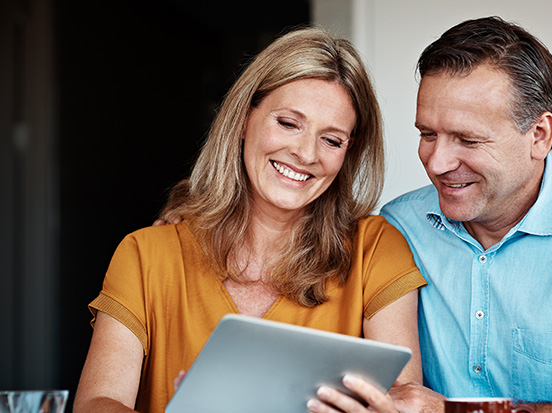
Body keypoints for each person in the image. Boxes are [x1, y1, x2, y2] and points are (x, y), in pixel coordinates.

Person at [309, 16, 552, 413]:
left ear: (539, 136)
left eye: (467, 139)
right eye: (427, 134)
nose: (437, 161)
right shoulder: (398, 229)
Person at [73, 27, 426, 413]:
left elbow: (406, 400)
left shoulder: (375, 249)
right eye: (288, 123)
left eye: (332, 139)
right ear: (243, 118)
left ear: (348, 152)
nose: (306, 153)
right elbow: (96, 402)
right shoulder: (145, 254)